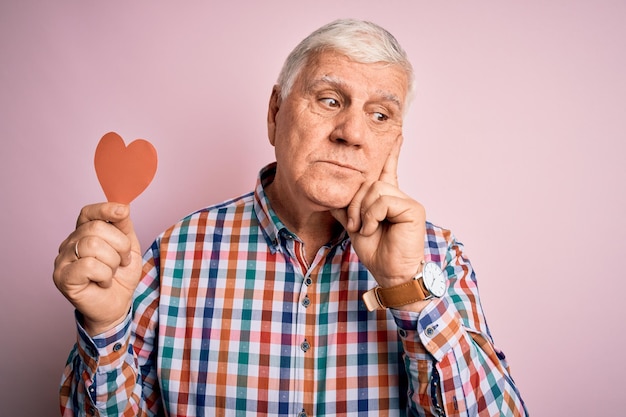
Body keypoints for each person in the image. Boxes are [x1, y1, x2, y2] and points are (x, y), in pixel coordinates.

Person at [53, 19, 528, 417]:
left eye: (381, 115)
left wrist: (408, 288)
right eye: (329, 100)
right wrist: (105, 329)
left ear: (395, 141)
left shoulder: (439, 261)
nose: (352, 133)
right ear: (274, 112)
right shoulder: (175, 254)